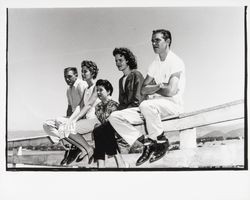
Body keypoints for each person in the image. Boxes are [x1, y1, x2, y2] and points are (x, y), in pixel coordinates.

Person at [109, 29, 185, 166]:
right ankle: (147, 143)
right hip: (151, 107)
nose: (153, 43)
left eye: (157, 40)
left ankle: (161, 142)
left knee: (145, 105)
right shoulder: (154, 63)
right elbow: (144, 89)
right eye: (152, 41)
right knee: (114, 117)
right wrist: (159, 86)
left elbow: (171, 91)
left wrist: (155, 88)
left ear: (167, 42)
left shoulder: (175, 61)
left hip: (172, 105)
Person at [92, 47, 145, 168]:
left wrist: (119, 115)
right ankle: (102, 166)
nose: (117, 63)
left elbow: (138, 99)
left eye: (120, 60)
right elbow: (121, 103)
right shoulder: (121, 80)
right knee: (98, 130)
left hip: (136, 111)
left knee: (106, 126)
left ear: (128, 60)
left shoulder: (136, 74)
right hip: (123, 114)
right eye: (116, 61)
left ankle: (140, 143)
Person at [43, 67, 87, 165]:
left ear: (76, 75)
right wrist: (67, 121)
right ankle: (69, 144)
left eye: (69, 77)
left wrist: (71, 120)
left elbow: (85, 104)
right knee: (46, 124)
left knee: (59, 120)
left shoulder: (81, 84)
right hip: (73, 117)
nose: (67, 79)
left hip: (83, 116)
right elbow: (70, 108)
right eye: (65, 77)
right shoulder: (68, 90)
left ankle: (76, 147)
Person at [60, 60, 101, 165]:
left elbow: (88, 106)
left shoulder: (97, 86)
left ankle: (87, 149)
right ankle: (84, 149)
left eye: (85, 71)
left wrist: (75, 120)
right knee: (63, 128)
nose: (83, 74)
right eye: (82, 71)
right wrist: (71, 119)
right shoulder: (86, 89)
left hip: (96, 119)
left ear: (92, 72)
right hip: (88, 120)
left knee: (69, 127)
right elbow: (80, 106)